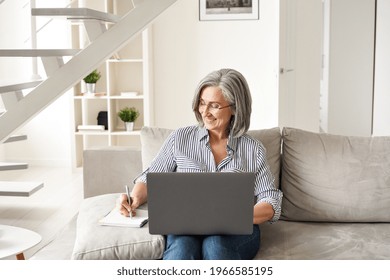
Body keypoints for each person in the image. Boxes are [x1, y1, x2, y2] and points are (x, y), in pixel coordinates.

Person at [117, 68, 283, 260]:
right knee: (181, 250)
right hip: (185, 226)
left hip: (234, 232)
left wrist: (234, 217)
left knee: (216, 246)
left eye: (214, 106)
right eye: (202, 103)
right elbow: (150, 177)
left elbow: (270, 199)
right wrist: (134, 198)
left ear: (235, 108)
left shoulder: (253, 149)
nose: (205, 112)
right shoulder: (180, 138)